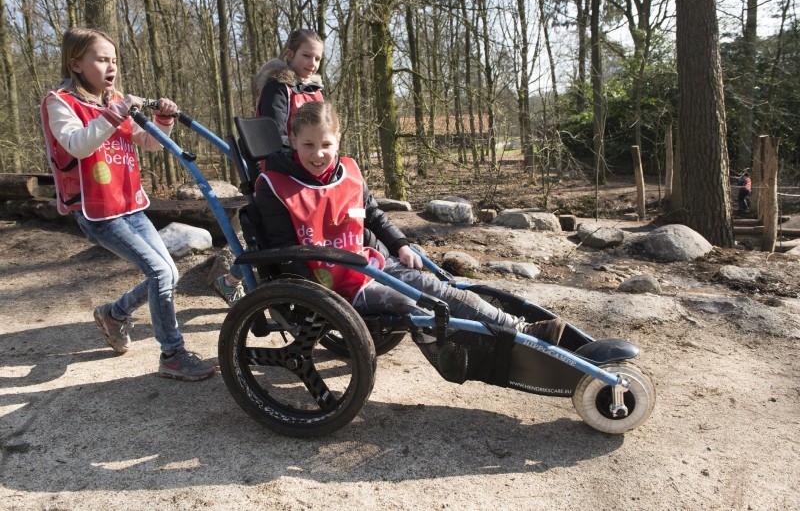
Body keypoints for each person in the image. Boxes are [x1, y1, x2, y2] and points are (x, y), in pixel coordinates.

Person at [253, 101, 565, 345]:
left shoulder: (349, 172)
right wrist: (321, 302)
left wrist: (400, 245)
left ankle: (523, 330)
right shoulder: (274, 185)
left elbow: (374, 216)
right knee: (420, 307)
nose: (318, 154)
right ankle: (486, 345)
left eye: (326, 144)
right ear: (293, 140)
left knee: (447, 292)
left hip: (368, 265)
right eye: (308, 145)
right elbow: (286, 253)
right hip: (328, 286)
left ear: (338, 140)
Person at [41, 27, 215, 381]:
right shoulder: (60, 102)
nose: (112, 66)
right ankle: (173, 354)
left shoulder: (112, 100)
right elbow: (77, 145)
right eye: (102, 59)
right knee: (162, 272)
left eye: (114, 60)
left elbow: (151, 144)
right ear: (76, 63)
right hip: (97, 211)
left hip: (129, 204)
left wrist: (163, 119)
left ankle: (114, 314)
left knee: (168, 271)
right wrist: (117, 112)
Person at [213, 29, 325, 305]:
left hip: (310, 170)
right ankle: (232, 281)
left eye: (318, 59)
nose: (312, 63)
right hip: (280, 172)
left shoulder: (314, 91)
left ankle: (231, 281)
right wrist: (304, 165)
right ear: (290, 55)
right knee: (274, 235)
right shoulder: (277, 88)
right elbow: (275, 139)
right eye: (306, 55)